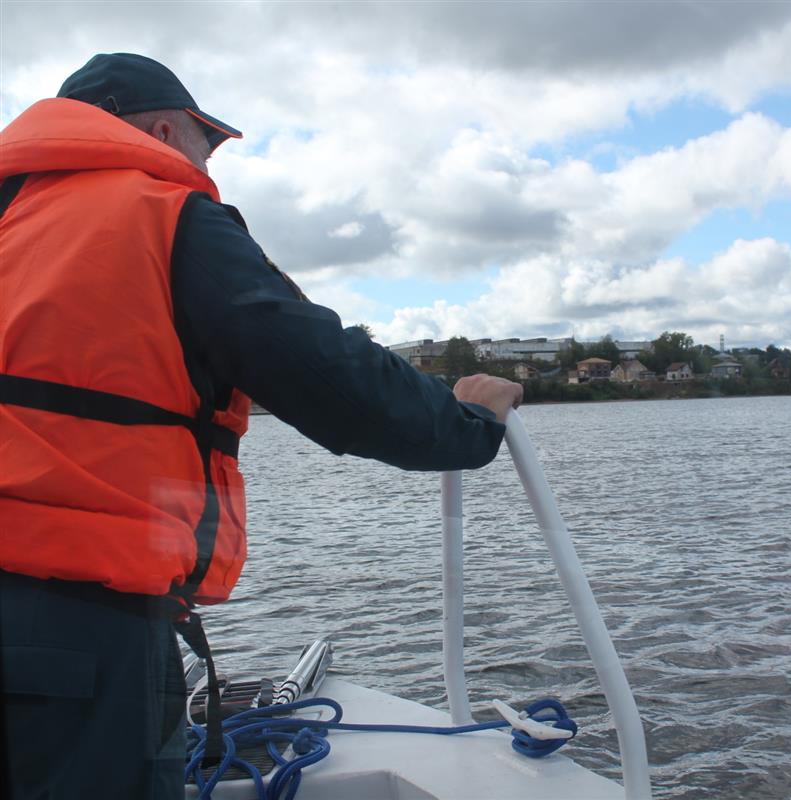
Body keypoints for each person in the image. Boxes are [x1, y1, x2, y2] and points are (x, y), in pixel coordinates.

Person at [0, 53, 522, 799]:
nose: (206, 163)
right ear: (160, 128)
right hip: (75, 624)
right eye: (204, 145)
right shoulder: (159, 212)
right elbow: (328, 375)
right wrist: (468, 421)